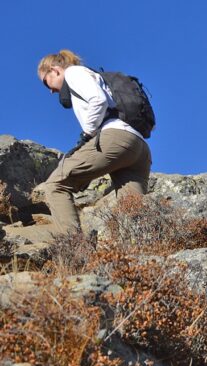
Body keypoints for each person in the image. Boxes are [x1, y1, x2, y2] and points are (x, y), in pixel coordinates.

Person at [36, 50, 152, 234]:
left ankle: (74, 251)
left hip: (116, 138)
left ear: (55, 70)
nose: (50, 90)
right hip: (138, 147)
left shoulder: (74, 73)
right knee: (132, 210)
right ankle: (141, 256)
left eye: (45, 82)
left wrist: (87, 134)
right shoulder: (94, 76)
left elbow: (97, 100)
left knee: (55, 185)